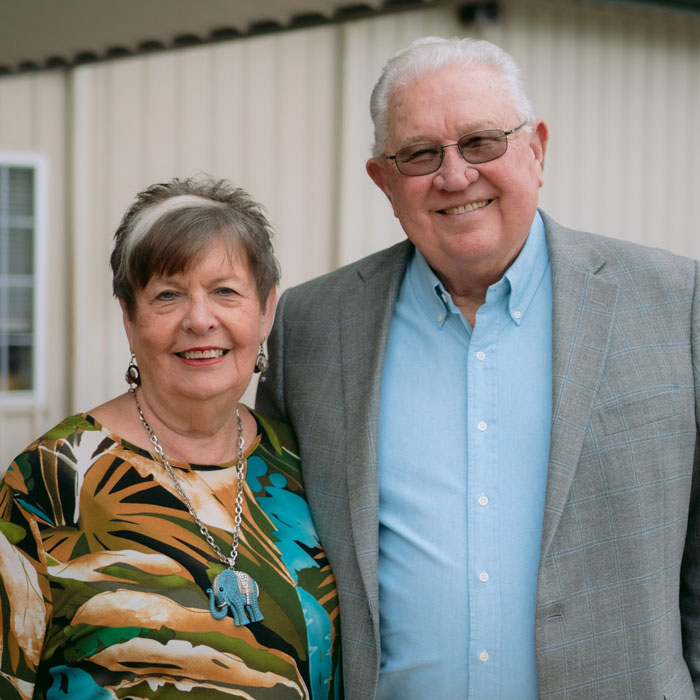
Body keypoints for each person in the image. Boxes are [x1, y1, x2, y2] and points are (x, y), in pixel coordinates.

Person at [256, 35, 700, 700]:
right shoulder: (311, 328)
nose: (455, 175)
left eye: (482, 142)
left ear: (537, 149)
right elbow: (278, 547)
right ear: (383, 180)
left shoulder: (676, 302)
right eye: (421, 154)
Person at [0, 176, 342, 700]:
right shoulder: (50, 478)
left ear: (267, 309)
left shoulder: (303, 463)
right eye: (168, 295)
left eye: (226, 291)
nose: (200, 320)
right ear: (130, 320)